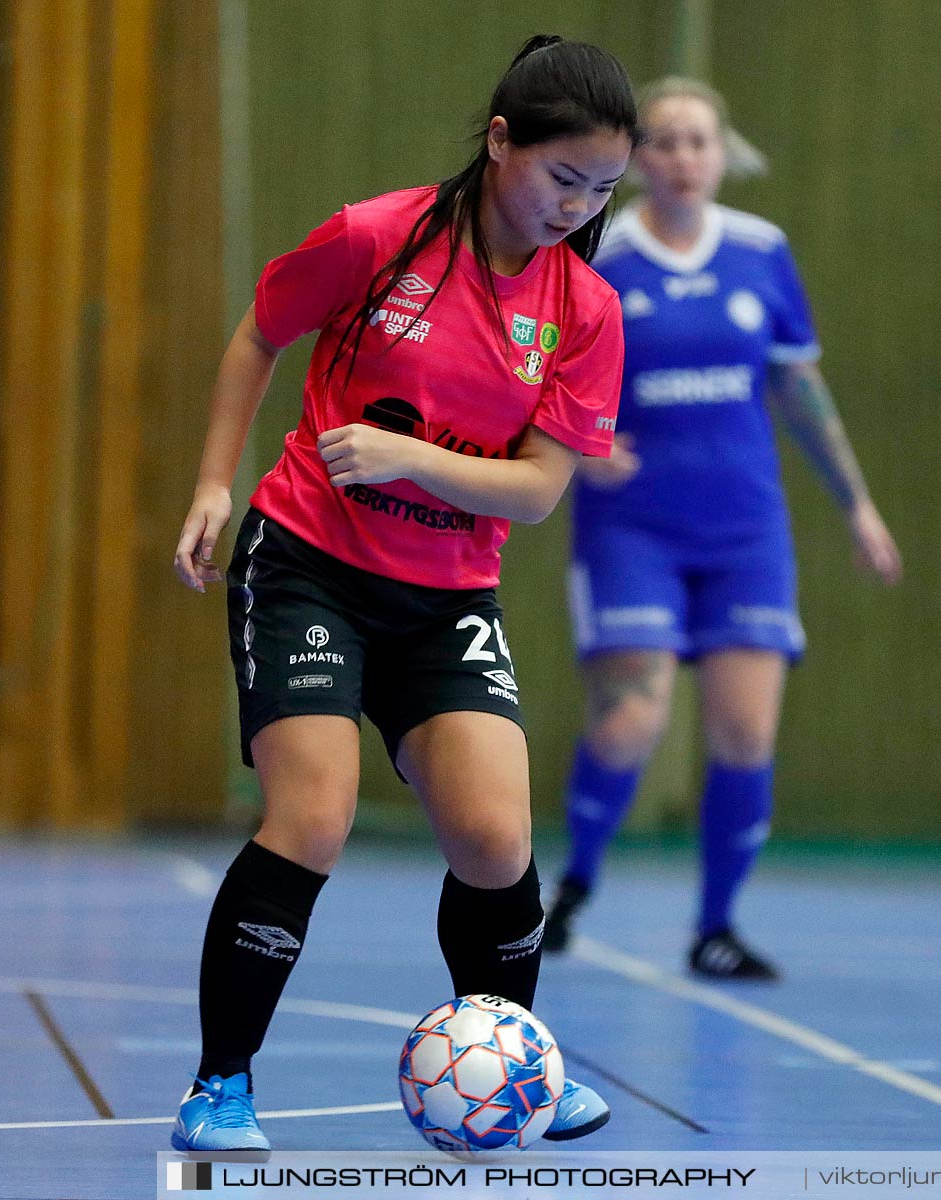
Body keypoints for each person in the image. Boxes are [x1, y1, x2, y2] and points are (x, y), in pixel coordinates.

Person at [167, 35, 638, 1152]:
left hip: (445, 595)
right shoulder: (375, 238)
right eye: (561, 177)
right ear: (498, 140)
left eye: (601, 190)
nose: (577, 206)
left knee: (492, 841)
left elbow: (533, 493)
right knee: (312, 817)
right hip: (309, 566)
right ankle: (220, 1086)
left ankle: (514, 1060)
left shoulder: (583, 312)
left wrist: (411, 464)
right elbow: (259, 332)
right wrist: (211, 486)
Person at [543, 78, 902, 981]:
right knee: (631, 722)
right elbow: (529, 377)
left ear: (721, 152)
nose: (682, 157)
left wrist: (856, 505)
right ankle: (573, 888)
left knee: (744, 735)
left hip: (744, 531)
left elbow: (802, 390)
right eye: (662, 141)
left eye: (698, 141)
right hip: (634, 529)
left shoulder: (761, 253)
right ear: (636, 159)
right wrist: (579, 449)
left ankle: (716, 926)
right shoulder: (598, 261)